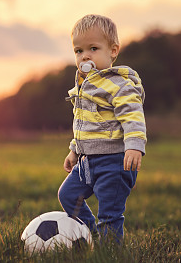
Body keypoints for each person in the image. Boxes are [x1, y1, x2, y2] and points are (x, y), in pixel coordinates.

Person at [58, 14, 147, 243]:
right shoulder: (82, 85)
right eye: (78, 51)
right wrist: (75, 150)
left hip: (115, 161)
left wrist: (134, 146)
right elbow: (83, 122)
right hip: (87, 161)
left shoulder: (120, 84)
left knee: (109, 215)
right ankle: (92, 235)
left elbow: (133, 117)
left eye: (93, 48)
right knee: (68, 195)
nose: (85, 55)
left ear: (113, 51)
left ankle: (110, 254)